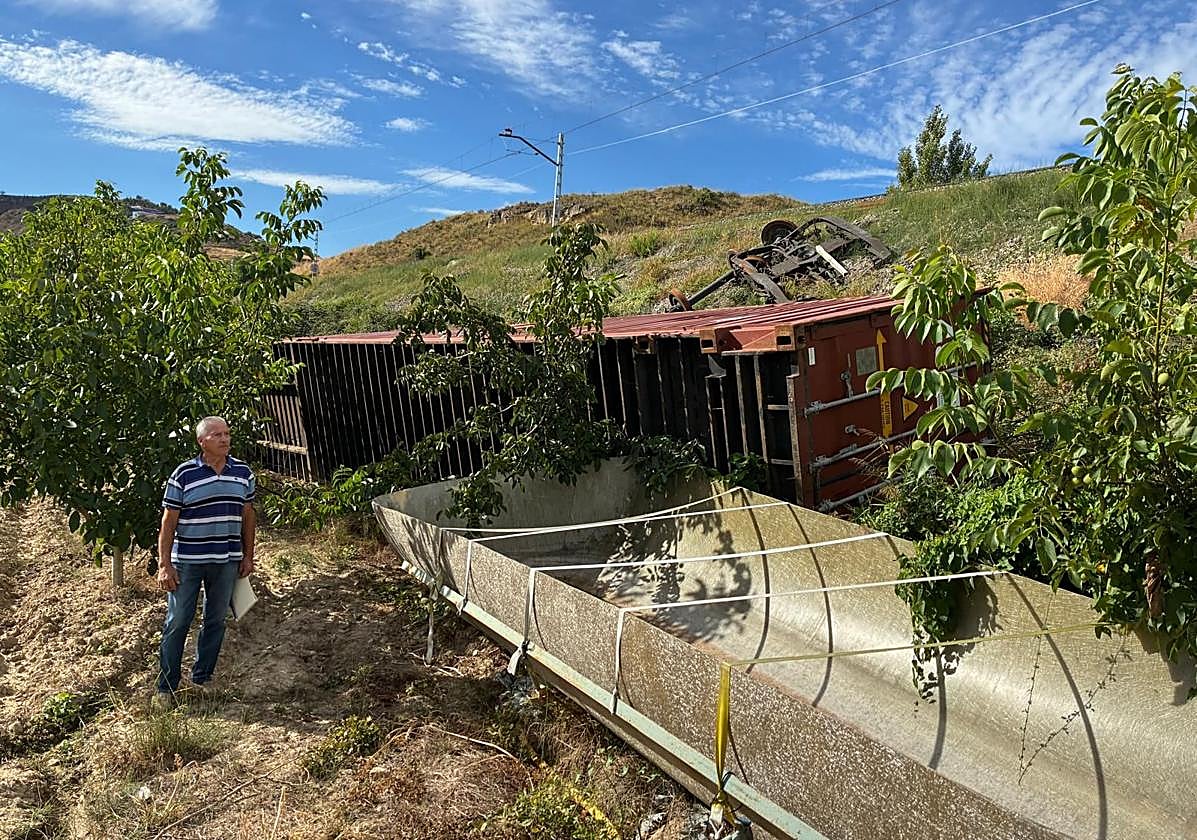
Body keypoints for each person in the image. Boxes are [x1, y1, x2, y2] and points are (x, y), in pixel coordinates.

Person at [154, 416, 256, 706]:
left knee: (215, 621)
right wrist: (165, 564)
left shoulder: (243, 473)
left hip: (225, 561)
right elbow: (168, 522)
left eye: (227, 434)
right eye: (217, 435)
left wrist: (248, 555)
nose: (224, 439)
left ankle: (202, 679)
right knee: (178, 621)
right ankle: (166, 688)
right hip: (187, 561)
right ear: (201, 442)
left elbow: (247, 516)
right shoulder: (183, 474)